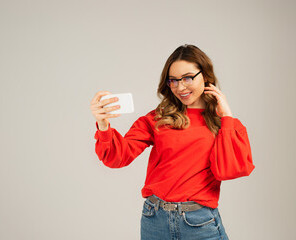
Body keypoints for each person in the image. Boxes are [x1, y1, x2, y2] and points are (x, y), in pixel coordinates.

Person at [90, 44, 255, 240]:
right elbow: (117, 158)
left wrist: (227, 116)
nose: (180, 87)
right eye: (173, 81)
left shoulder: (224, 124)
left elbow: (229, 170)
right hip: (155, 220)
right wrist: (103, 124)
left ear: (206, 76)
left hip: (199, 223)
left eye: (187, 78)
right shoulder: (157, 118)